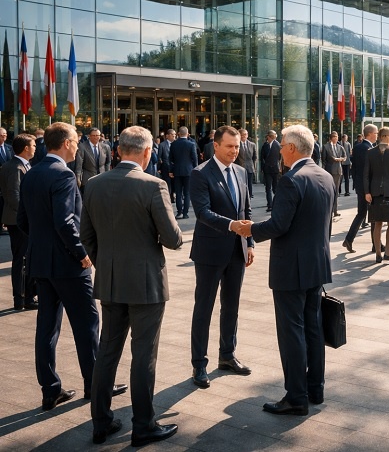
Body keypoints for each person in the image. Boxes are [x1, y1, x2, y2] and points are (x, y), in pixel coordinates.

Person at [81, 126, 182, 446]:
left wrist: (106, 264)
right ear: (148, 152)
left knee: (107, 352)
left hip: (110, 280)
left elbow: (87, 236)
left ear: (118, 150)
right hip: (146, 283)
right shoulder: (154, 185)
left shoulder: (94, 184)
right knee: (144, 354)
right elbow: (173, 239)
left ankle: (101, 422)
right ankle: (143, 425)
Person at [17, 122, 127, 411]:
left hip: (41, 263)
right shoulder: (63, 175)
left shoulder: (32, 173)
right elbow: (66, 222)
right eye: (76, 140)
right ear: (65, 143)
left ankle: (50, 390)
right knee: (87, 325)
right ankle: (95, 385)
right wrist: (81, 254)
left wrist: (43, 246)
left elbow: (23, 222)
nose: (78, 145)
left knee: (47, 328)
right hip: (68, 265)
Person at [235, 124, 335, 416]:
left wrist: (249, 228)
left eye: (282, 146)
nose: (279, 150)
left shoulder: (292, 180)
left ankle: (295, 396)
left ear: (292, 148)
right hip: (317, 263)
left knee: (292, 331)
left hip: (292, 268)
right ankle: (315, 388)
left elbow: (279, 225)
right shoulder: (325, 176)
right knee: (313, 329)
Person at [189, 126, 255, 388]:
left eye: (237, 146)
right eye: (229, 146)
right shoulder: (200, 173)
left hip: (237, 252)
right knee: (203, 308)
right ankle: (199, 365)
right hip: (210, 252)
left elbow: (246, 208)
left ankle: (227, 356)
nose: (234, 151)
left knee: (232, 307)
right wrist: (231, 226)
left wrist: (249, 242)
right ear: (215, 146)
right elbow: (202, 212)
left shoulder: (241, 172)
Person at [1, 133, 37, 310]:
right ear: (25, 148)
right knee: (21, 259)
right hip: (19, 221)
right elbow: (14, 197)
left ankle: (27, 296)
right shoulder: (15, 167)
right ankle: (21, 298)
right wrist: (30, 215)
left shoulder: (22, 165)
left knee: (25, 258)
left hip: (20, 219)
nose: (35, 148)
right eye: (33, 145)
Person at [364, 127, 389, 264]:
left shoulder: (370, 152)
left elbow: (366, 175)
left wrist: (367, 192)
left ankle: (379, 254)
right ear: (386, 136)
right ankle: (387, 253)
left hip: (375, 192)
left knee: (377, 223)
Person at [342, 125, 378, 253]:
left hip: (361, 186)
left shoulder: (358, 147)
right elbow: (366, 171)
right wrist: (368, 190)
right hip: (367, 187)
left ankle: (349, 239)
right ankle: (376, 244)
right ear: (370, 134)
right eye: (376, 133)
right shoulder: (367, 148)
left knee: (362, 213)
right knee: (373, 215)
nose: (377, 135)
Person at [169, 126, 198, 219]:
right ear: (187, 133)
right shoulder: (191, 144)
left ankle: (179, 212)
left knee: (178, 192)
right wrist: (195, 169)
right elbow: (195, 158)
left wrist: (171, 170)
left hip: (177, 170)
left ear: (178, 133)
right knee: (187, 193)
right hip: (188, 171)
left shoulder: (174, 144)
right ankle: (185, 213)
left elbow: (170, 159)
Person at [321, 131, 346, 217]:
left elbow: (345, 157)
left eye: (337, 137)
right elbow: (323, 160)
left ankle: (335, 210)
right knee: (329, 191)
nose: (336, 138)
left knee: (335, 191)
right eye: (334, 137)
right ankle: (328, 210)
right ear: (331, 138)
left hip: (338, 171)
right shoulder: (325, 147)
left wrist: (340, 159)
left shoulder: (340, 147)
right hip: (329, 171)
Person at [260, 130, 281, 212]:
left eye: (268, 137)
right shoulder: (265, 145)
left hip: (275, 169)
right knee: (268, 188)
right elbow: (262, 158)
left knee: (275, 188)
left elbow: (280, 157)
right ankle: (270, 205)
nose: (267, 138)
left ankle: (277, 204)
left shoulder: (278, 145)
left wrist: (279, 167)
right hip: (267, 169)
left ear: (269, 137)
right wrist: (262, 168)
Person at [236, 129, 258, 199]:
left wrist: (253, 166)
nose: (243, 136)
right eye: (242, 135)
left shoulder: (252, 145)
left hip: (249, 167)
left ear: (247, 135)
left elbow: (255, 157)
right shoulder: (236, 144)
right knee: (240, 183)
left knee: (249, 183)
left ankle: (249, 195)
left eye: (245, 134)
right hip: (239, 167)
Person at [158, 129, 176, 202]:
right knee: (167, 183)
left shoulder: (177, 144)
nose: (174, 136)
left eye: (175, 135)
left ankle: (173, 197)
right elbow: (159, 157)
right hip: (165, 167)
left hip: (175, 167)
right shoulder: (162, 145)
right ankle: (168, 198)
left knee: (174, 183)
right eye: (172, 135)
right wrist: (159, 167)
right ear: (167, 136)